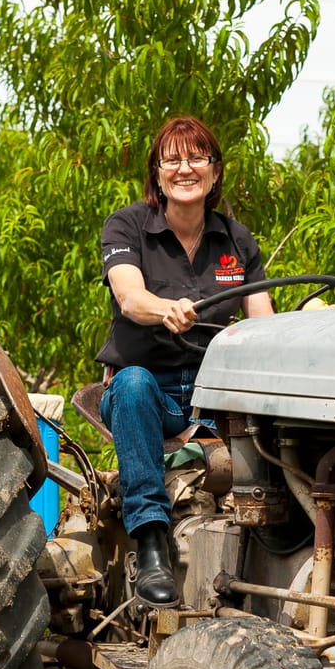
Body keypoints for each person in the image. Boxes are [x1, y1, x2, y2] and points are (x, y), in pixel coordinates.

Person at [99, 116, 272, 606]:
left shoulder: (237, 241)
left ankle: (276, 539)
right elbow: (130, 297)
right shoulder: (128, 226)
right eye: (172, 159)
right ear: (156, 174)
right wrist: (163, 309)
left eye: (197, 158)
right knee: (131, 384)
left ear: (215, 173)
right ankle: (151, 543)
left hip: (214, 396)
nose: (185, 168)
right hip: (151, 395)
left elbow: (261, 324)